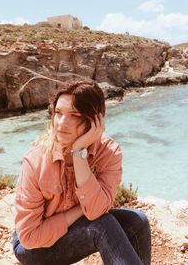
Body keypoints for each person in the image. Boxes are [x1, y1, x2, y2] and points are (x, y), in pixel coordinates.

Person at [13, 79, 151, 265]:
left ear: (95, 120)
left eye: (74, 115)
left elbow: (95, 211)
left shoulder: (108, 153)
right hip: (33, 246)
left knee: (138, 221)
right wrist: (80, 210)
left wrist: (79, 153)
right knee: (102, 226)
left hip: (75, 226)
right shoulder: (37, 160)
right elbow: (29, 237)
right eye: (58, 113)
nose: (61, 123)